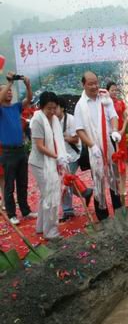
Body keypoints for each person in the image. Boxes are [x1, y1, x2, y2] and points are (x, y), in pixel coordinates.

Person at [74, 71, 122, 221]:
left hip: (109, 143)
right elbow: (80, 130)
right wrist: (92, 146)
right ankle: (103, 217)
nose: (94, 86)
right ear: (83, 85)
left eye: (96, 82)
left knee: (114, 178)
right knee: (99, 179)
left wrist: (114, 131)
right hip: (93, 147)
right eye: (90, 84)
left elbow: (113, 116)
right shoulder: (80, 105)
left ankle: (119, 213)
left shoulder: (104, 98)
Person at [29, 91, 69, 240]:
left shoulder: (54, 120)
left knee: (46, 195)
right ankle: (50, 231)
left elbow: (57, 141)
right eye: (49, 108)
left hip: (51, 161)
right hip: (40, 163)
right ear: (41, 107)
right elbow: (40, 146)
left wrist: (62, 155)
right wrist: (57, 156)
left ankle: (41, 227)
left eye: (54, 108)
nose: (52, 112)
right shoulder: (37, 120)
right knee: (50, 194)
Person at [0, 71, 37, 225]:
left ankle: (26, 211)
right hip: (7, 152)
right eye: (6, 90)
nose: (9, 92)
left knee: (23, 183)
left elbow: (29, 99)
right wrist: (9, 82)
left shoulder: (15, 107)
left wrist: (28, 85)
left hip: (21, 150)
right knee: (9, 185)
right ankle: (11, 213)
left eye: (10, 90)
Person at [55, 97, 93, 221]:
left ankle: (67, 210)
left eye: (56, 108)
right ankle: (85, 192)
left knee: (65, 181)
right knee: (66, 182)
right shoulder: (53, 120)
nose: (54, 110)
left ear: (62, 108)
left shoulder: (71, 120)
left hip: (73, 156)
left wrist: (64, 137)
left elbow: (76, 139)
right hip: (60, 157)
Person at [107, 81, 128, 196]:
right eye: (112, 90)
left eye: (116, 90)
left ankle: (123, 187)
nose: (114, 92)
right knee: (113, 162)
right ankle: (116, 187)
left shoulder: (121, 103)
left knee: (122, 161)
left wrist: (122, 130)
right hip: (110, 136)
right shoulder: (104, 104)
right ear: (107, 91)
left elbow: (125, 118)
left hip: (121, 135)